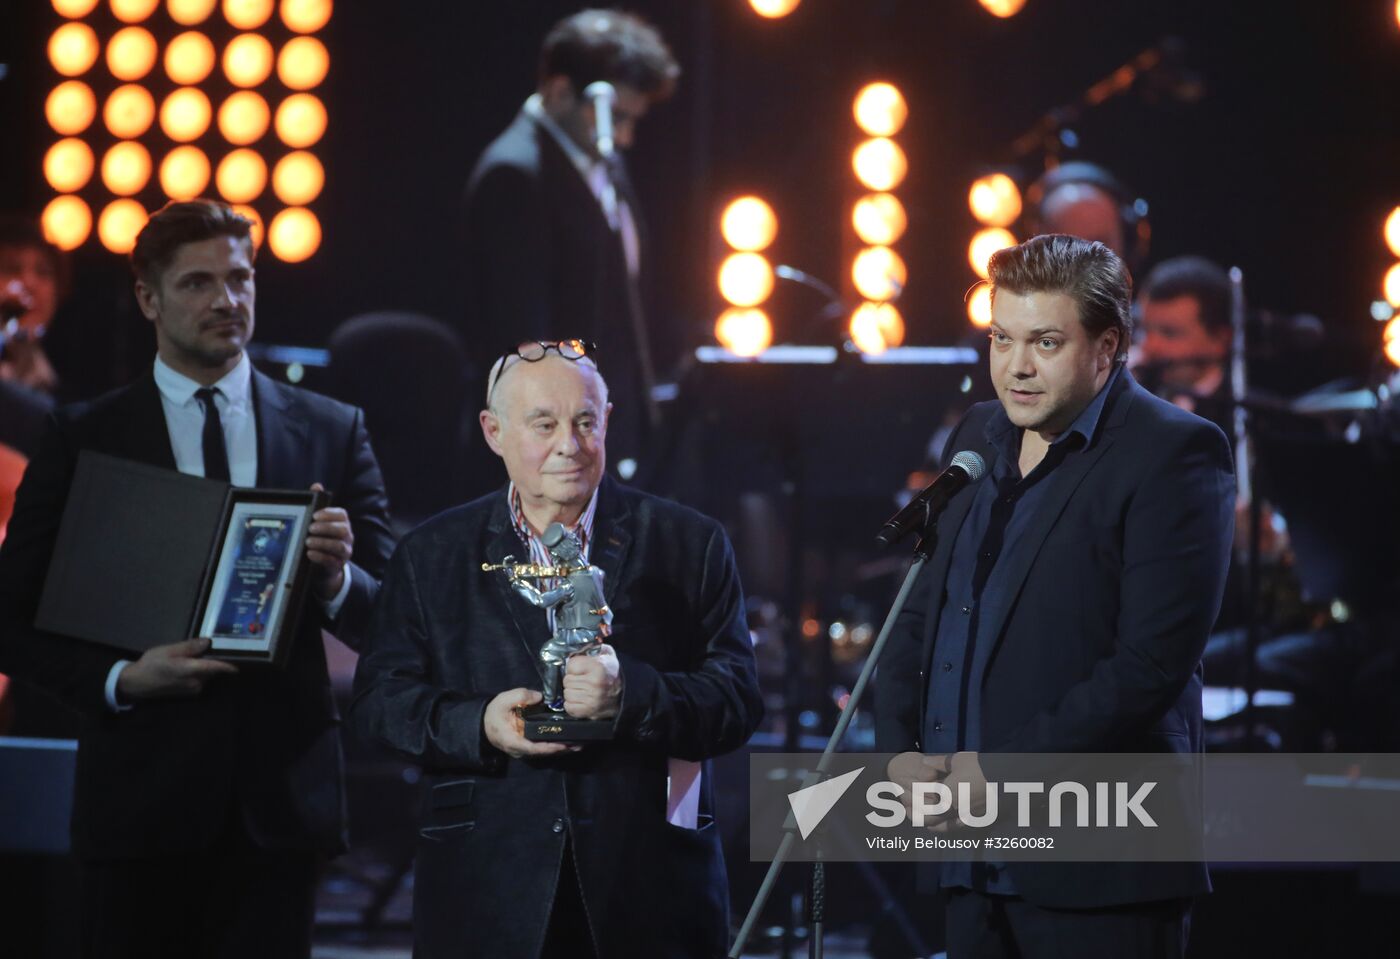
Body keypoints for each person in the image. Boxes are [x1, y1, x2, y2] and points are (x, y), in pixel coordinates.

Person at [0, 199, 395, 959]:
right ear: (148, 297)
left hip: (279, 813)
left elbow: (390, 622)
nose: (227, 300)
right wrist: (120, 676)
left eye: (241, 279)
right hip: (139, 807)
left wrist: (338, 580)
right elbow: (10, 618)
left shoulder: (332, 428)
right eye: (198, 283)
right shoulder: (84, 436)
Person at [875, 234, 1234, 958]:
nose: (1016, 366)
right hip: (966, 851)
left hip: (1098, 864)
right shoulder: (979, 431)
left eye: (1045, 341)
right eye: (1001, 339)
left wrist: (995, 773)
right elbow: (923, 610)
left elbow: (1150, 666)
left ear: (1108, 347)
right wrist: (899, 752)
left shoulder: (1174, 452)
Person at [350, 341, 763, 959]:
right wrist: (481, 723)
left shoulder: (691, 542)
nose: (570, 443)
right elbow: (380, 704)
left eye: (586, 421)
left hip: (647, 886)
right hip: (488, 885)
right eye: (544, 424)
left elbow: (735, 701)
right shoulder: (432, 554)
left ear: (608, 422)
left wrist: (632, 694)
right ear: (494, 431)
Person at [461, 9, 680, 477]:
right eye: (616, 116)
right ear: (560, 92)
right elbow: (524, 339)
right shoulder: (515, 174)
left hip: (611, 434)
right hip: (554, 455)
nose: (623, 135)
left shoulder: (600, 159)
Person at [1133, 255, 1233, 439]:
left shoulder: (1241, 419)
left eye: (1169, 333)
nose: (1149, 347)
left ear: (1220, 341)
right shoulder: (1132, 396)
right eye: (1143, 329)